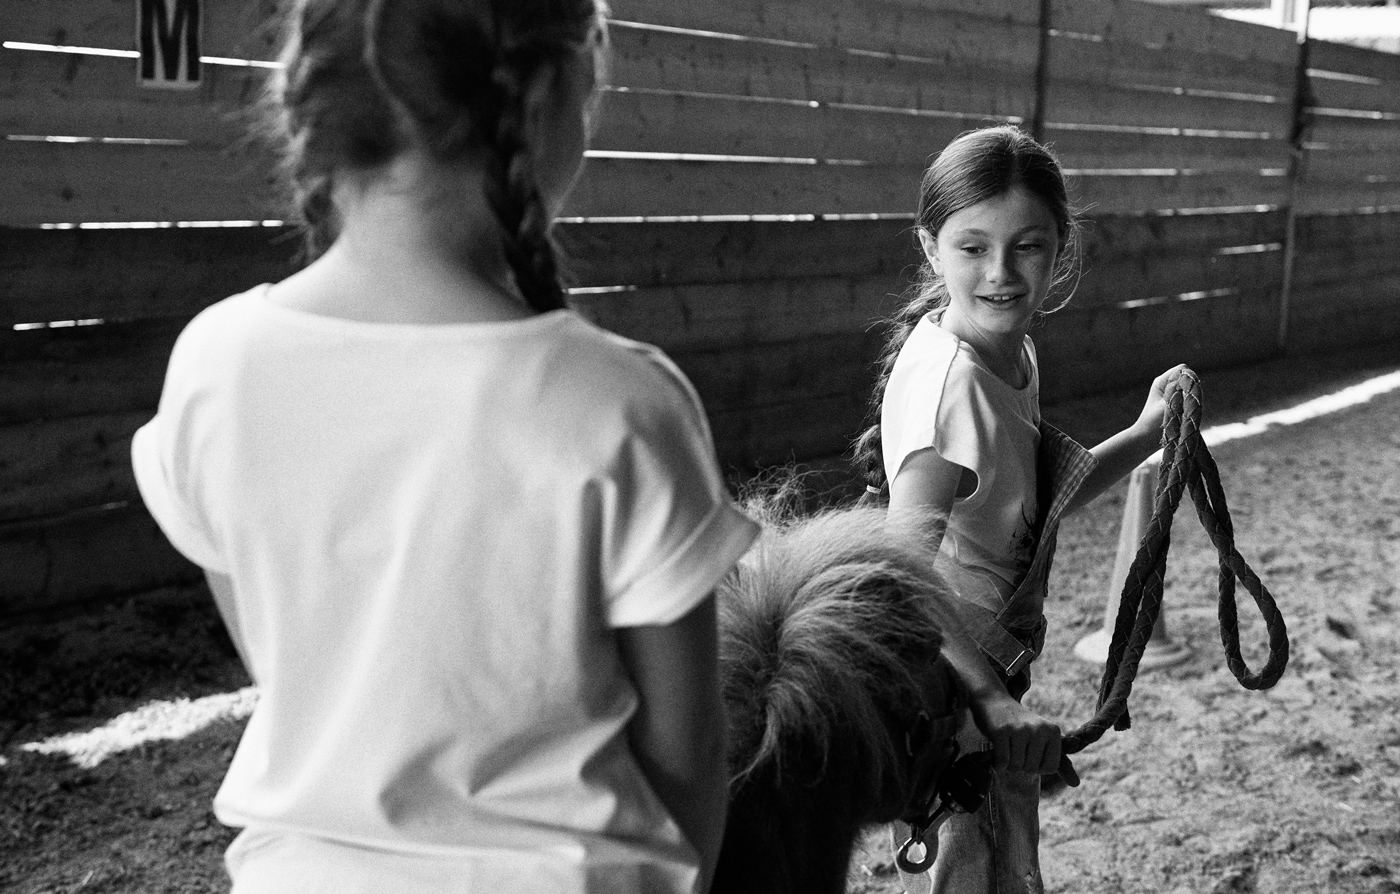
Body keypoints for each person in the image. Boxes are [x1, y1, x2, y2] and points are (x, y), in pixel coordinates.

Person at [129, 2, 759, 892]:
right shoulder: (620, 401)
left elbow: (287, 665)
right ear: (542, 96)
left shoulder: (213, 367)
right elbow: (687, 747)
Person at [851, 125, 1186, 894]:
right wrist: (993, 699)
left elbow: (1030, 507)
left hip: (993, 670)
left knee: (1009, 866)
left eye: (1026, 246)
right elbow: (903, 573)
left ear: (1061, 248)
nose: (1001, 273)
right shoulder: (953, 389)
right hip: (951, 686)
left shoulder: (1010, 353)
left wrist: (1142, 435)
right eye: (973, 248)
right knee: (972, 873)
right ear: (931, 248)